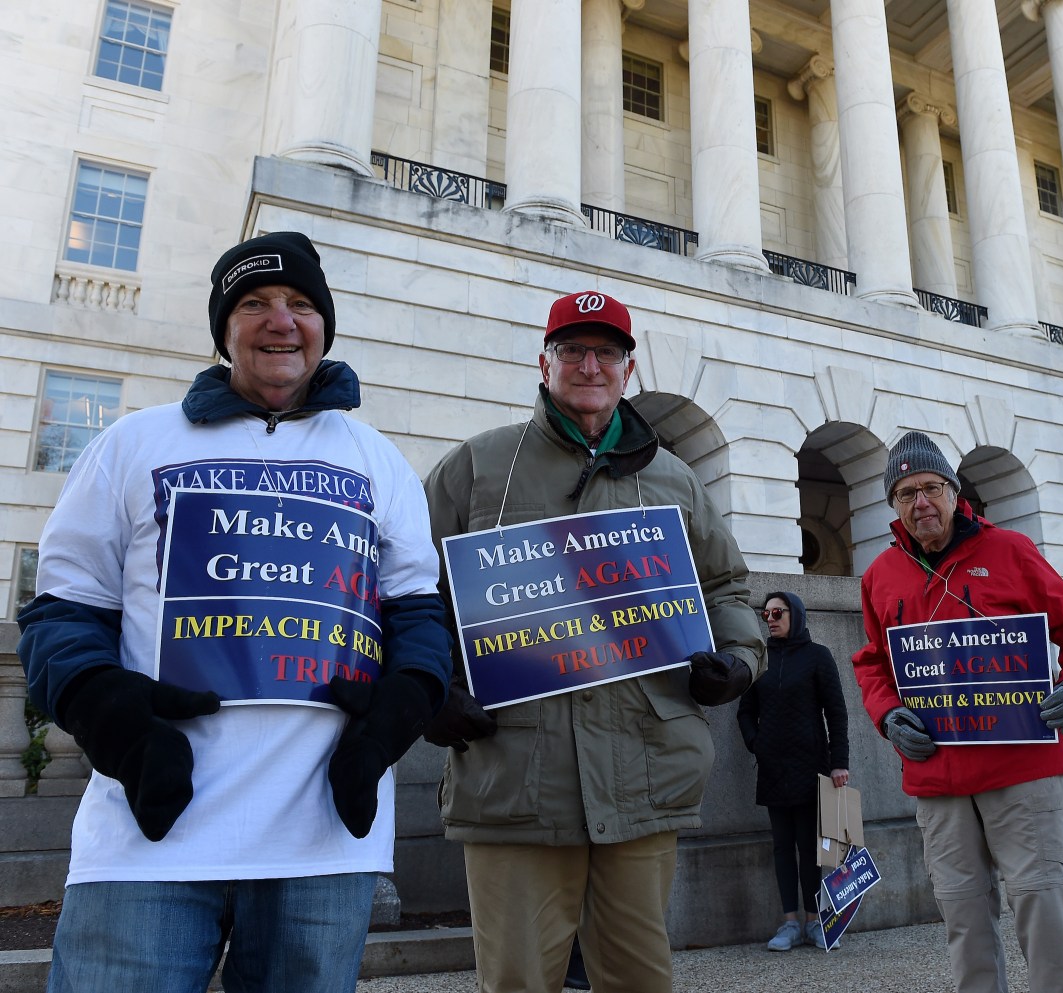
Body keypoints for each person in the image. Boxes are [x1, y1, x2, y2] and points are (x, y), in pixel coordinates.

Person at [16, 231, 451, 991]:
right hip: (152, 832)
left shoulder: (379, 459)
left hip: (323, 842)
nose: (280, 320)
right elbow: (62, 608)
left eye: (301, 303)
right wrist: (104, 709)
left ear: (324, 326)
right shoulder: (133, 442)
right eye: (255, 303)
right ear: (224, 328)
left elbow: (417, 613)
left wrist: (405, 703)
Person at [422, 289, 765, 993]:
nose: (589, 364)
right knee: (516, 981)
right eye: (571, 350)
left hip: (642, 772)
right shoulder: (477, 466)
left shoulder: (675, 479)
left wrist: (738, 657)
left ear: (628, 368)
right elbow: (409, 590)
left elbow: (727, 584)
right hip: (513, 776)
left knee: (641, 980)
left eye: (605, 351)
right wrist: (430, 684)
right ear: (541, 363)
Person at [851, 430, 1063, 993]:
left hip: (1023, 765)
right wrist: (888, 715)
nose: (921, 502)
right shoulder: (879, 575)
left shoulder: (1011, 551)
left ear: (954, 490)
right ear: (892, 505)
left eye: (930, 488)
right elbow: (872, 663)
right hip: (938, 775)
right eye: (905, 493)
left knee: (1046, 908)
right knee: (962, 917)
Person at [737, 591, 850, 952]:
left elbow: (837, 712)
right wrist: (757, 742)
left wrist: (839, 762)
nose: (770, 618)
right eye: (765, 613)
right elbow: (744, 710)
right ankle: (789, 924)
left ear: (796, 615)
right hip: (772, 768)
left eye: (778, 612)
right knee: (782, 846)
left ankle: (816, 921)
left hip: (811, 766)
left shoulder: (818, 656)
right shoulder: (761, 658)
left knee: (811, 846)